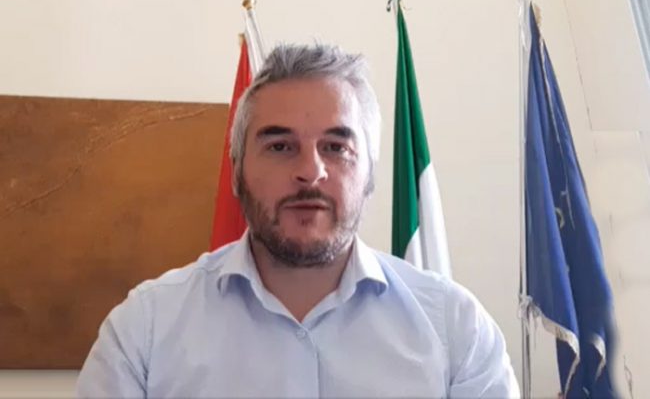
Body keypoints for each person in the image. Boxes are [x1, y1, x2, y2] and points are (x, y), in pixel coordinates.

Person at [77, 43, 520, 398]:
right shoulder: (145, 331)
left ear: (370, 174)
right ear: (236, 173)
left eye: (336, 147)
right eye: (280, 146)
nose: (310, 171)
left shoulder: (455, 329)